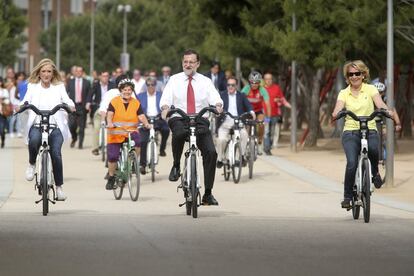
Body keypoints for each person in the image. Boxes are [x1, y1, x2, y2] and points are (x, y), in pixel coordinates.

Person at [160, 49, 223, 206]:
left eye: (191, 62)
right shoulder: (174, 80)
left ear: (198, 64)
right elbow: (166, 98)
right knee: (179, 133)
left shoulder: (205, 81)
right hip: (179, 117)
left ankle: (208, 193)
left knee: (211, 153)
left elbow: (215, 98)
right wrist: (166, 108)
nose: (187, 64)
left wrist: (218, 105)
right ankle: (176, 165)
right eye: (185, 62)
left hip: (200, 118)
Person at [332, 60, 395, 209]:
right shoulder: (344, 92)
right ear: (347, 77)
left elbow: (379, 103)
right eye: (351, 74)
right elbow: (339, 106)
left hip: (370, 128)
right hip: (350, 131)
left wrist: (386, 111)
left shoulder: (370, 89)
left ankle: (374, 173)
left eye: (357, 73)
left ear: (363, 74)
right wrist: (336, 112)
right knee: (352, 163)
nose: (354, 77)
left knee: (373, 149)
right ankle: (347, 196)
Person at [20, 58, 75, 200]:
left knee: (56, 153)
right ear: (39, 73)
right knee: (34, 141)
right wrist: (21, 106)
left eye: (49, 71)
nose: (46, 74)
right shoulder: (32, 86)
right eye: (43, 71)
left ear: (53, 73)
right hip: (37, 124)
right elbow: (25, 100)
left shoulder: (59, 86)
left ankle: (59, 187)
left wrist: (70, 106)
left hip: (54, 126)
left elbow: (67, 100)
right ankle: (32, 164)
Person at [105, 79, 150, 190]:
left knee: (139, 142)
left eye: (129, 90)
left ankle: (133, 162)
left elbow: (141, 116)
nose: (127, 92)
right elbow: (110, 114)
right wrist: (110, 123)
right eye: (125, 89)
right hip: (115, 132)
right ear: (121, 90)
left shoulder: (135, 103)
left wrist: (146, 124)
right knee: (113, 156)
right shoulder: (114, 101)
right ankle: (111, 177)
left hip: (131, 131)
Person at [216, 76, 255, 168]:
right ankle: (220, 158)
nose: (230, 87)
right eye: (228, 84)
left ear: (236, 86)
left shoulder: (241, 95)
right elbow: (216, 105)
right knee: (221, 140)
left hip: (238, 121)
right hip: (225, 122)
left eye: (233, 85)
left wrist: (251, 112)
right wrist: (217, 111)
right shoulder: (221, 95)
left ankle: (240, 157)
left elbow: (248, 106)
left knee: (244, 135)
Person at [137, 77, 170, 174]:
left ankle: (162, 149)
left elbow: (166, 106)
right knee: (143, 141)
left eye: (152, 84)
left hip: (158, 119)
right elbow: (137, 110)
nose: (150, 87)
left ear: (156, 85)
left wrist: (164, 113)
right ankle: (142, 165)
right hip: (145, 120)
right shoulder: (140, 96)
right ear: (146, 86)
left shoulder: (161, 95)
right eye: (148, 85)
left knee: (166, 130)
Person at [241, 71, 272, 154]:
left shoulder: (262, 90)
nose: (254, 84)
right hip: (248, 111)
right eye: (252, 82)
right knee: (246, 128)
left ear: (259, 83)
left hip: (258, 111)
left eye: (256, 82)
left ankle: (260, 140)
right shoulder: (246, 88)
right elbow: (240, 100)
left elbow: (268, 104)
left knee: (261, 123)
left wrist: (268, 118)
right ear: (249, 82)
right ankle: (246, 144)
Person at [87, 71, 116, 155]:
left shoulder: (112, 85)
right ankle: (95, 148)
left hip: (110, 109)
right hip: (99, 109)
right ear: (100, 77)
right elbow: (90, 95)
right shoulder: (95, 85)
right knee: (96, 127)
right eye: (103, 76)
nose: (105, 78)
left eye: (107, 76)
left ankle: (112, 145)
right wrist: (88, 103)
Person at [263, 73, 291, 155]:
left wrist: (287, 104)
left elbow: (281, 99)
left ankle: (269, 145)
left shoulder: (276, 88)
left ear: (272, 79)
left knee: (272, 132)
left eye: (270, 79)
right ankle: (266, 148)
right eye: (267, 79)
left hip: (275, 114)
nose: (268, 81)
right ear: (264, 80)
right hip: (266, 115)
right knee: (266, 131)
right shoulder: (262, 89)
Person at [66, 66, 91, 149]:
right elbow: (66, 93)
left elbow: (89, 94)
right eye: (77, 71)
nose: (78, 73)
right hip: (73, 106)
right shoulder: (70, 82)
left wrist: (88, 103)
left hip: (82, 106)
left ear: (82, 72)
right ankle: (74, 137)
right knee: (72, 125)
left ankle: (80, 143)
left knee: (82, 126)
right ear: (75, 72)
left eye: (80, 71)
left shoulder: (87, 82)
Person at [0, 77, 10, 148]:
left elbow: (8, 101)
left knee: (2, 129)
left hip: (2, 112)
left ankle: (3, 140)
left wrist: (2, 101)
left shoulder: (4, 91)